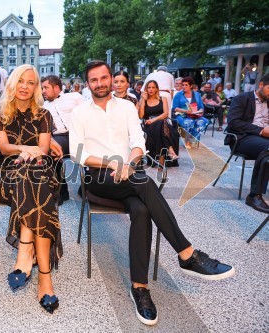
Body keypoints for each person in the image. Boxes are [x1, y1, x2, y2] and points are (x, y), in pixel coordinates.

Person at [70, 60, 235, 326]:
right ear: (87, 83)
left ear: (111, 79)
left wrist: (130, 162)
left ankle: (140, 288)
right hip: (97, 175)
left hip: (129, 174)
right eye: (93, 80)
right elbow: (77, 153)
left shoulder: (126, 107)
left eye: (103, 78)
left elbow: (138, 142)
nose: (99, 84)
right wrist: (112, 162)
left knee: (142, 208)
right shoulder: (79, 113)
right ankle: (186, 254)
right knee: (144, 183)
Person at [0, 64, 61, 314]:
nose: (25, 86)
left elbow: (43, 149)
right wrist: (26, 150)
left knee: (34, 177)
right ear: (12, 84)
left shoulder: (43, 114)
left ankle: (25, 251)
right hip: (8, 172)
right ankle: (44, 275)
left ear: (36, 87)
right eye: (21, 81)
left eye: (31, 82)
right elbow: (5, 149)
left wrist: (31, 153)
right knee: (28, 180)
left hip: (39, 169)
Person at [226, 73, 269, 214]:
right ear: (261, 85)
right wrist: (261, 131)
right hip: (243, 138)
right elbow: (233, 123)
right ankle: (254, 195)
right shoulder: (242, 98)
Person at [41, 74, 85, 205]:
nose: (43, 91)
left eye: (45, 87)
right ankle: (61, 191)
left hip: (79, 134)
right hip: (59, 136)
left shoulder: (75, 97)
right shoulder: (43, 107)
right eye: (42, 88)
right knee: (51, 152)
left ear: (56, 88)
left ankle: (88, 188)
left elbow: (88, 114)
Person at [139, 80, 179, 165]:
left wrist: (154, 120)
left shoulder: (163, 99)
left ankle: (162, 158)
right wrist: (143, 100)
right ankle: (170, 151)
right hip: (149, 126)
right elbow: (141, 116)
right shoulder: (143, 100)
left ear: (157, 89)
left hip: (162, 124)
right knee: (161, 124)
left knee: (161, 123)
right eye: (149, 87)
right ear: (146, 89)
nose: (151, 89)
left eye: (153, 87)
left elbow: (166, 113)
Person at [172, 76, 208, 149]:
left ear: (191, 86)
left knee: (203, 122)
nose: (184, 87)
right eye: (183, 85)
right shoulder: (178, 94)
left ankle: (194, 140)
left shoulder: (197, 94)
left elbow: (201, 106)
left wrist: (200, 111)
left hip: (195, 115)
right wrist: (186, 111)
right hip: (182, 115)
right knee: (189, 122)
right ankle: (187, 141)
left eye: (186, 85)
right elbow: (174, 108)